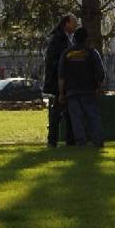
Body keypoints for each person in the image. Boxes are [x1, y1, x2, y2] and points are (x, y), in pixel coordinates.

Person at [58, 25, 105, 147]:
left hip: (72, 91)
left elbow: (61, 76)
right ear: (86, 39)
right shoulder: (92, 53)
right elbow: (100, 72)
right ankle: (98, 140)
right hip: (88, 90)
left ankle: (80, 141)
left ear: (74, 38)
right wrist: (98, 87)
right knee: (93, 116)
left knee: (76, 119)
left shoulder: (67, 53)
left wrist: (61, 93)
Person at [43, 12, 78, 147]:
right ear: (67, 23)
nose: (75, 28)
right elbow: (55, 62)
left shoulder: (62, 38)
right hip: (59, 82)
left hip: (59, 81)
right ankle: (55, 140)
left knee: (64, 112)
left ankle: (64, 140)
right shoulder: (59, 39)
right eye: (74, 24)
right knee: (58, 112)